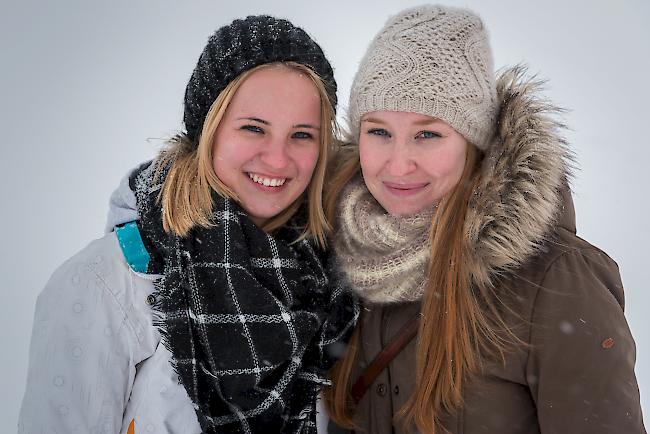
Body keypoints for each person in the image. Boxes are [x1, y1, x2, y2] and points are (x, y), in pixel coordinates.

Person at [19, 15, 357, 434]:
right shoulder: (103, 284)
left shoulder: (340, 281)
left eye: (302, 134)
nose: (277, 159)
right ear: (208, 131)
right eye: (254, 128)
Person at [323, 5, 646, 434]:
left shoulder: (556, 283)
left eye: (428, 134)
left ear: (473, 144)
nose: (397, 166)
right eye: (379, 131)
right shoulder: (337, 253)